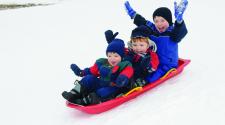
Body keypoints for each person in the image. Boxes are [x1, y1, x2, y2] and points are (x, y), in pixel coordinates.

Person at [124, 0, 188, 82]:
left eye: (162, 20)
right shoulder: (153, 29)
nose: (159, 24)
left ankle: (142, 81)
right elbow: (143, 22)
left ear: (168, 21)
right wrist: (133, 14)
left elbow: (180, 33)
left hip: (167, 65)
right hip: (154, 61)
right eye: (156, 21)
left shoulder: (173, 32)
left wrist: (179, 22)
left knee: (150, 78)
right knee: (139, 69)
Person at [62, 33, 133, 106]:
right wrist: (81, 72)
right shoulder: (103, 62)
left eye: (116, 56)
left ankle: (86, 100)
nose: (112, 58)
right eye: (109, 56)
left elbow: (128, 71)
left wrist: (122, 78)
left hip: (114, 87)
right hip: (101, 83)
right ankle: (74, 93)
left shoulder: (125, 64)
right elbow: (92, 71)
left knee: (103, 91)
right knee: (88, 78)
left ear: (122, 56)